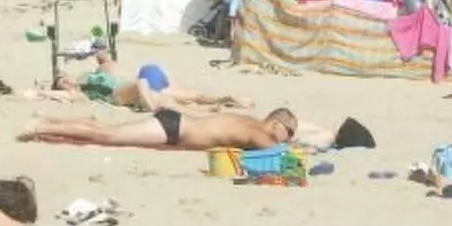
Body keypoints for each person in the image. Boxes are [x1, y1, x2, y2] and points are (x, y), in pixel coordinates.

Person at [25, 50, 252, 113]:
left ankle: (227, 98)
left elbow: (103, 55)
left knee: (187, 94)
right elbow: (52, 95)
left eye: (65, 79)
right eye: (62, 83)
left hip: (145, 81)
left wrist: (90, 56)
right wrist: (44, 90)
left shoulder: (94, 73)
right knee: (149, 87)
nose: (66, 83)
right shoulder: (82, 92)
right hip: (124, 94)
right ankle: (157, 109)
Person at [19, 107, 297, 151]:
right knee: (106, 136)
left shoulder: (247, 121)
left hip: (175, 125)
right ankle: (40, 125)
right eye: (289, 131)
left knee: (105, 134)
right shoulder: (258, 132)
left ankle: (48, 129)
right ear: (275, 123)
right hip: (173, 129)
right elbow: (277, 152)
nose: (288, 137)